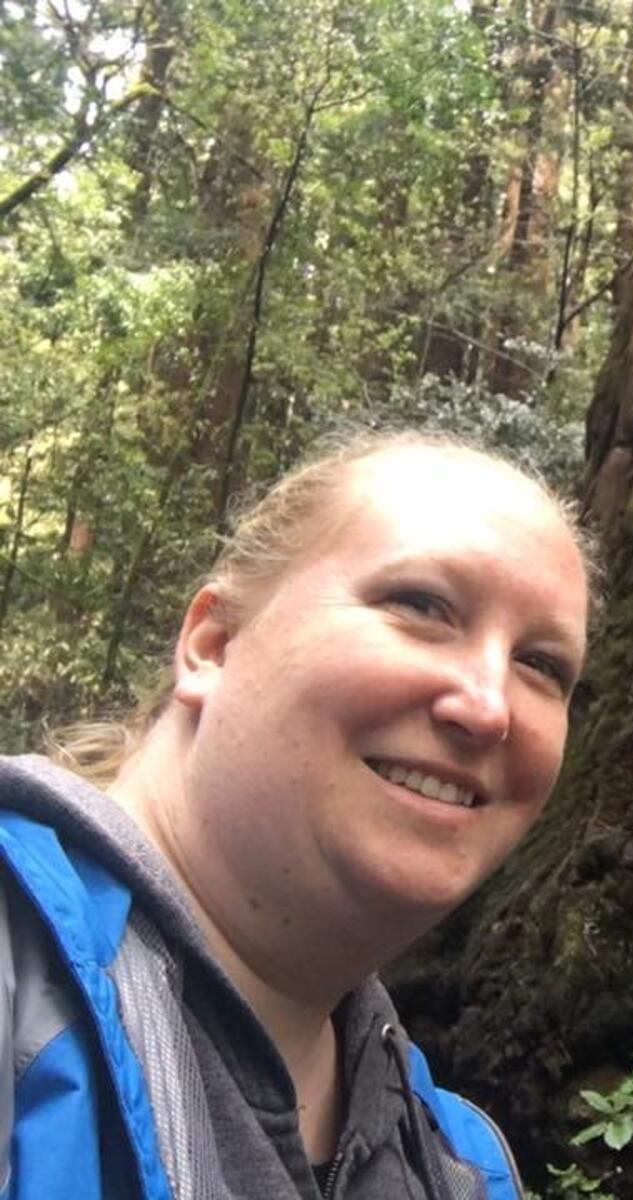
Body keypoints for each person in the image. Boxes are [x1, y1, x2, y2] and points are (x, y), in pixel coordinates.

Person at [0, 431, 592, 1199]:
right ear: (212, 644)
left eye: (541, 664)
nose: (488, 707)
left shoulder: (461, 1166)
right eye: (421, 605)